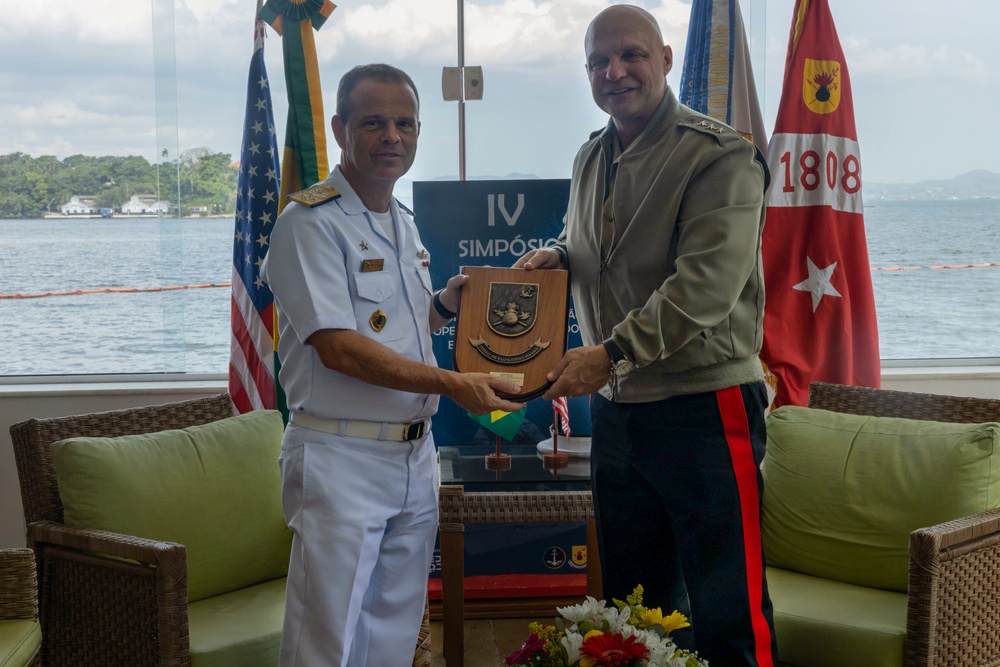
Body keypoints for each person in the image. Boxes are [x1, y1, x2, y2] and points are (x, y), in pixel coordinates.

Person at [514, 6, 778, 666]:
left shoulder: (721, 156)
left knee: (728, 608)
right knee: (636, 611)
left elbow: (705, 286)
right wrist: (560, 256)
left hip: (704, 407)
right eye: (600, 62)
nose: (615, 71)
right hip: (620, 411)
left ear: (664, 59)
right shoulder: (589, 156)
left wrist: (612, 353)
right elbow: (602, 249)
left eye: (631, 55)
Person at [261, 63, 524, 667]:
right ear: (340, 127)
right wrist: (456, 384)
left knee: (392, 637)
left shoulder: (400, 221)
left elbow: (394, 331)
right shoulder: (309, 222)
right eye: (373, 122)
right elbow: (339, 347)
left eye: (404, 123)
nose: (392, 136)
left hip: (412, 457)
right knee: (322, 642)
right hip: (340, 457)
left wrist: (444, 308)